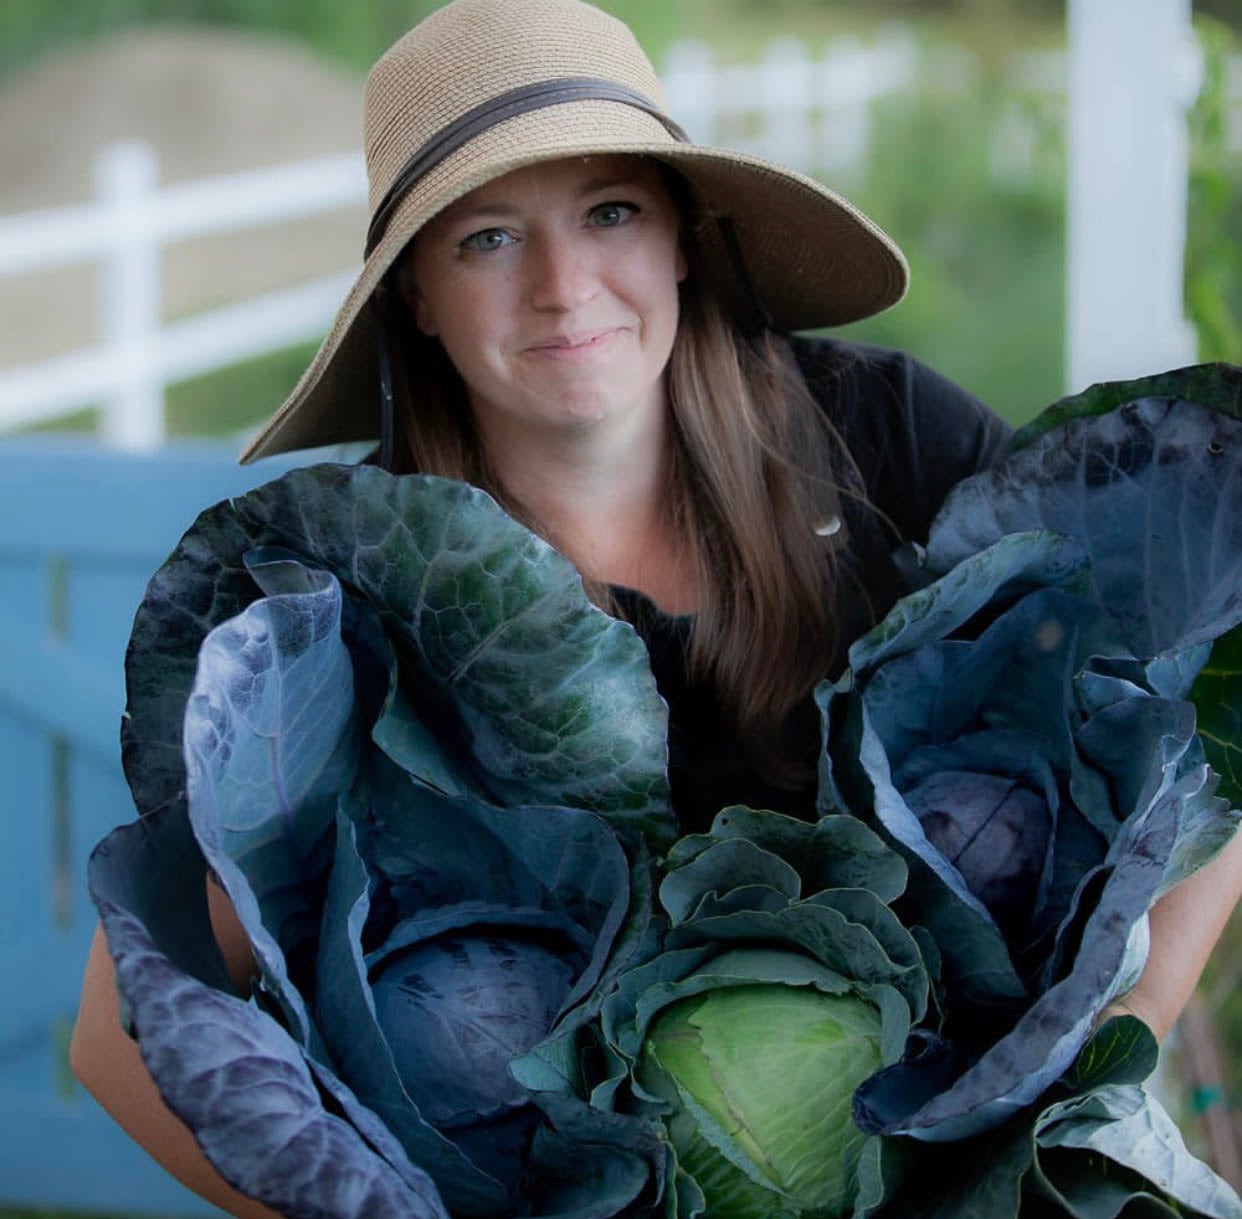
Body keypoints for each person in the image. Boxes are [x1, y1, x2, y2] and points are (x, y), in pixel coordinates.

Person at [70, 1, 1242, 1216]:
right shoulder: (350, 590)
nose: (564, 287)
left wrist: (1103, 1059)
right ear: (414, 296)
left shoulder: (884, 442)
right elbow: (116, 1039)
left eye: (610, 212)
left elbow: (1201, 735)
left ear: (684, 236)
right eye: (485, 239)